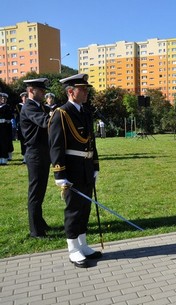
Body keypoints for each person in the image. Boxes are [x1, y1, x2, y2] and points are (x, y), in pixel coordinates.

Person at [49, 73, 101, 268]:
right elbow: (56, 146)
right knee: (74, 209)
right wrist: (59, 174)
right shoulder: (61, 114)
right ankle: (73, 249)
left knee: (85, 207)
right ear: (71, 92)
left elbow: (91, 141)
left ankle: (83, 245)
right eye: (83, 89)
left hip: (86, 167)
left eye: (87, 89)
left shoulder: (85, 111)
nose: (87, 92)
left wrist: (95, 165)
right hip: (71, 168)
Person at [20, 78, 52, 237]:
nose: (44, 93)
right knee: (36, 192)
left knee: (40, 191)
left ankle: (40, 222)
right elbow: (45, 122)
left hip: (43, 153)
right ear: (31, 90)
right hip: (35, 154)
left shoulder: (40, 106)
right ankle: (35, 230)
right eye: (41, 91)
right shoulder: (29, 107)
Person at [0, 92, 14, 165]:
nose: (2, 99)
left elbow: (10, 116)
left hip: (4, 127)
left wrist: (5, 120)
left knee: (4, 142)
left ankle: (4, 158)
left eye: (3, 98)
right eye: (1, 98)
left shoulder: (7, 107)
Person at [16, 92, 28, 163]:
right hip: (21, 125)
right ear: (21, 98)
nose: (25, 98)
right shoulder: (18, 106)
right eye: (23, 97)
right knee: (22, 141)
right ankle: (24, 156)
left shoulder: (30, 105)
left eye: (26, 97)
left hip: (28, 125)